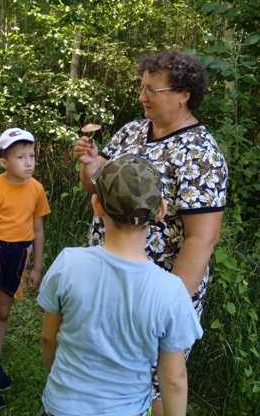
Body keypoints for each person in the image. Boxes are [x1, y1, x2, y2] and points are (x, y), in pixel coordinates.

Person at [74, 49, 227, 416]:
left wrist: (168, 304)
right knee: (107, 372)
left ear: (183, 95)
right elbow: (97, 189)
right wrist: (91, 165)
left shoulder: (201, 154)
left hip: (156, 293)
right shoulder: (130, 132)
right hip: (107, 279)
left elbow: (201, 239)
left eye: (152, 90)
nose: (142, 97)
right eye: (141, 88)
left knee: (154, 384)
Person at [38, 154, 203, 416]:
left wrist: (56, 380)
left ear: (97, 206)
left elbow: (48, 338)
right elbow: (173, 380)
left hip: (61, 406)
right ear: (161, 210)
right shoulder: (171, 291)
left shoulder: (69, 263)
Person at [0, 127, 50, 410]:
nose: (28, 162)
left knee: (3, 312)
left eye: (31, 156)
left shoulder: (36, 189)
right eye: (20, 157)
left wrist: (36, 266)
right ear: (4, 161)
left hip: (20, 253)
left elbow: (38, 231)